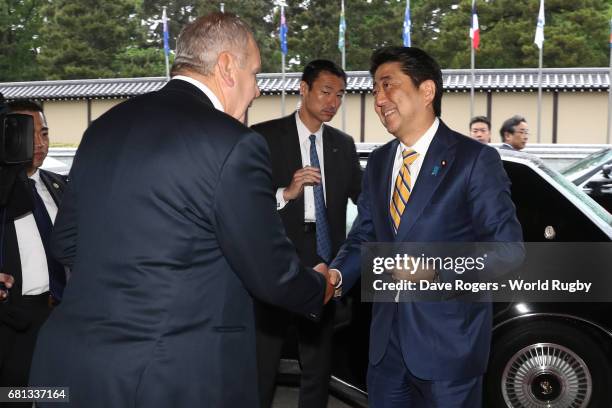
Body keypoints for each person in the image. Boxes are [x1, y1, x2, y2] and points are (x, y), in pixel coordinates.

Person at [28, 12, 335, 407]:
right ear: (227, 67)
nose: (257, 90)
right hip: (170, 376)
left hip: (72, 364)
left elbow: (66, 244)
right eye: (255, 73)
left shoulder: (103, 127)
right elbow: (271, 273)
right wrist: (320, 287)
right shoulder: (233, 143)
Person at [329, 47, 524, 407]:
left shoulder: (474, 160)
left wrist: (436, 271)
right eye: (375, 90)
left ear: (427, 91)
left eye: (388, 85)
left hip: (449, 347)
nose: (379, 99)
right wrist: (338, 274)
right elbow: (366, 235)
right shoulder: (380, 161)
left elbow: (507, 251)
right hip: (386, 348)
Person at [251, 59, 362, 408]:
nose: (333, 101)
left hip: (323, 261)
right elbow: (244, 205)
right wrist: (286, 193)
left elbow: (366, 203)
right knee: (262, 362)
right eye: (326, 91)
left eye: (340, 95)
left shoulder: (343, 145)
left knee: (317, 366)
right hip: (278, 260)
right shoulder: (264, 137)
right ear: (304, 88)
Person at [0, 100, 67, 407]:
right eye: (30, 134)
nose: (40, 143)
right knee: (16, 398)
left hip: (63, 314)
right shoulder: (4, 192)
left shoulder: (60, 185)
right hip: (15, 320)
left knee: (59, 395)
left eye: (45, 133)